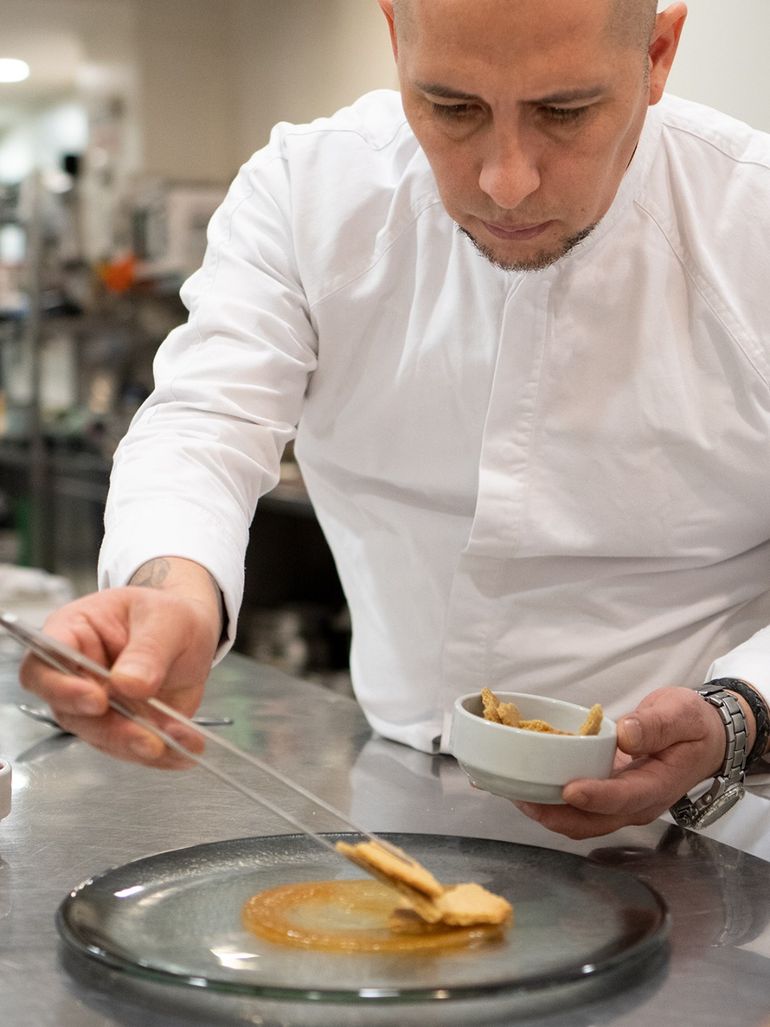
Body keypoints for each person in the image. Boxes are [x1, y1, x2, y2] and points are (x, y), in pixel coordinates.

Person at [20, 0, 770, 838]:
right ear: (394, 40)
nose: (505, 179)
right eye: (453, 109)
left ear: (658, 56)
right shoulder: (311, 192)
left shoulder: (754, 225)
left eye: (565, 112)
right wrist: (175, 591)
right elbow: (205, 420)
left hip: (717, 822)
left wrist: (737, 713)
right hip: (404, 791)